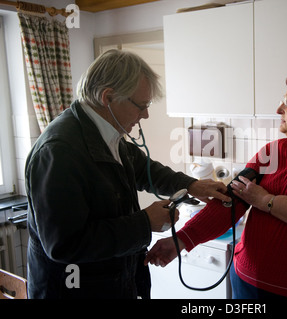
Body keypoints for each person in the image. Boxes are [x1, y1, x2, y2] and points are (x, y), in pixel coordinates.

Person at [145, 68, 287, 299]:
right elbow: (229, 203)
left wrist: (265, 200)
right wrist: (181, 240)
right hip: (249, 284)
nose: (279, 109)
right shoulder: (270, 152)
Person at [25, 49, 230, 299]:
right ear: (108, 97)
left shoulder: (106, 133)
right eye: (141, 106)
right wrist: (144, 223)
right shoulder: (59, 152)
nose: (145, 115)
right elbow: (64, 245)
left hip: (114, 282)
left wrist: (191, 185)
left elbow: (145, 169)